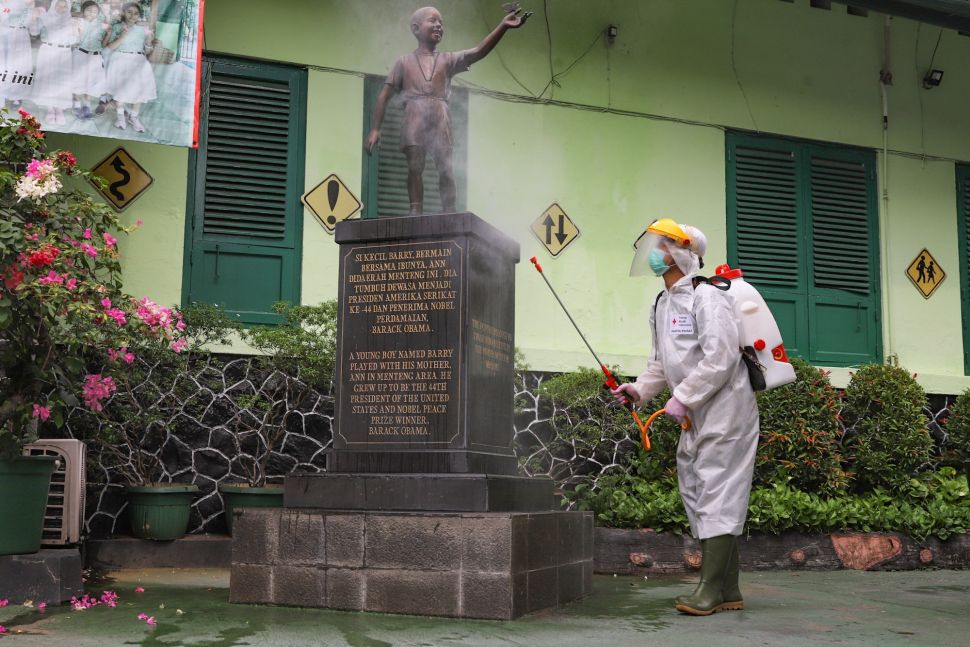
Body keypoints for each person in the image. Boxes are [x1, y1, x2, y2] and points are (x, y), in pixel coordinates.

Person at [611, 219, 759, 616]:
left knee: (717, 491)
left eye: (661, 247)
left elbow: (722, 357)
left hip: (727, 411)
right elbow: (660, 363)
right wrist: (639, 390)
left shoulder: (706, 298)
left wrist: (684, 395)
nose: (654, 255)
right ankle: (729, 588)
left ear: (681, 253)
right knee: (696, 488)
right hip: (694, 414)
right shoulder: (661, 303)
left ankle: (708, 590)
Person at [365, 4, 530, 216]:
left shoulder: (448, 59)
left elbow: (479, 51)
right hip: (414, 115)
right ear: (416, 28)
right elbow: (384, 95)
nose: (438, 26)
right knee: (415, 167)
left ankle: (449, 212)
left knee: (446, 169)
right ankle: (415, 210)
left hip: (440, 115)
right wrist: (375, 129)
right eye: (432, 21)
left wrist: (503, 26)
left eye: (441, 22)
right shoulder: (403, 62)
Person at [103, 1, 156, 132]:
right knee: (121, 89)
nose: (133, 15)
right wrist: (122, 36)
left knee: (139, 89)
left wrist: (149, 40)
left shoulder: (142, 30)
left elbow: (148, 50)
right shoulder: (117, 27)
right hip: (120, 59)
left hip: (138, 60)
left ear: (139, 16)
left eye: (136, 13)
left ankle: (134, 116)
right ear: (124, 13)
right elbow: (110, 47)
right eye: (129, 12)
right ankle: (120, 116)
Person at [29, 0, 77, 126]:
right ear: (53, 5)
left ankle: (59, 108)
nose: (62, 8)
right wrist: (35, 18)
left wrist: (75, 30)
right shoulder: (45, 17)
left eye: (65, 6)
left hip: (65, 52)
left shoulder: (72, 21)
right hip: (48, 50)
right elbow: (34, 32)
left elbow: (74, 39)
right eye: (59, 5)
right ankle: (50, 108)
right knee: (48, 79)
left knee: (62, 80)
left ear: (69, 7)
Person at [72, 0, 109, 120]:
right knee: (78, 80)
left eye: (94, 11)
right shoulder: (79, 22)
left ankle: (86, 106)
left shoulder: (101, 25)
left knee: (92, 82)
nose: (91, 13)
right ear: (83, 11)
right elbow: (77, 39)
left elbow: (103, 44)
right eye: (88, 10)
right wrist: (77, 27)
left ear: (98, 13)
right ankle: (77, 106)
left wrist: (108, 33)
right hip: (81, 54)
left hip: (96, 56)